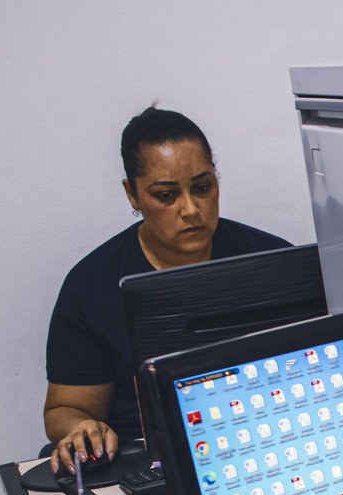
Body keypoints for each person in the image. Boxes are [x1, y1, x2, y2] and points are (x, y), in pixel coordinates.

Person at [43, 106, 290, 472]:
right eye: (166, 195)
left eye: (203, 187)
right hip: (150, 461)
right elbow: (66, 409)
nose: (191, 209)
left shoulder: (274, 261)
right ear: (133, 195)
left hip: (267, 442)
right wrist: (82, 428)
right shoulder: (91, 285)